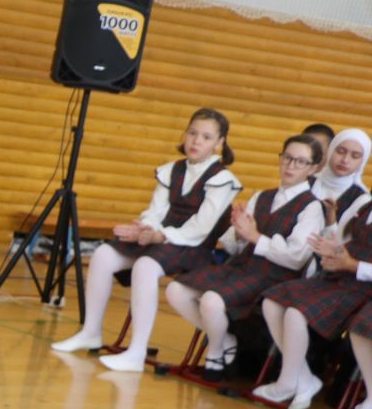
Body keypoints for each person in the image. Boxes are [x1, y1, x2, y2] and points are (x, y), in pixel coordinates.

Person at [50, 109, 242, 371]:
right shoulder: (171, 170)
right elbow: (155, 211)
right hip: (161, 239)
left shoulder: (223, 180)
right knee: (103, 255)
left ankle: (137, 352)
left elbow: (201, 228)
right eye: (193, 133)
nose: (196, 141)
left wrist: (159, 235)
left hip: (193, 247)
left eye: (206, 137)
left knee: (146, 266)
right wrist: (144, 228)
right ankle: (90, 331)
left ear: (219, 143)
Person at [163, 134, 324, 379]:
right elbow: (233, 245)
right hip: (242, 267)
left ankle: (216, 350)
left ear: (313, 168)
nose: (291, 166)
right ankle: (224, 340)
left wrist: (256, 237)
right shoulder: (262, 196)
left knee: (211, 301)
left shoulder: (312, 207)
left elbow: (297, 258)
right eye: (288, 158)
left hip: (274, 277)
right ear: (280, 158)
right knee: (175, 291)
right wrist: (238, 232)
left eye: (300, 162)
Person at [252, 186, 372, 409]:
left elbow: (352, 261)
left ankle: (288, 382)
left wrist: (353, 266)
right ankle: (303, 379)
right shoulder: (366, 206)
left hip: (362, 287)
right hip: (339, 277)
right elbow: (343, 243)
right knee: (272, 302)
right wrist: (331, 250)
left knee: (297, 313)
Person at [313, 127, 368, 213]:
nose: (345, 160)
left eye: (355, 156)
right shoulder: (306, 182)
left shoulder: (362, 199)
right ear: (330, 151)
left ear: (362, 162)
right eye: (341, 151)